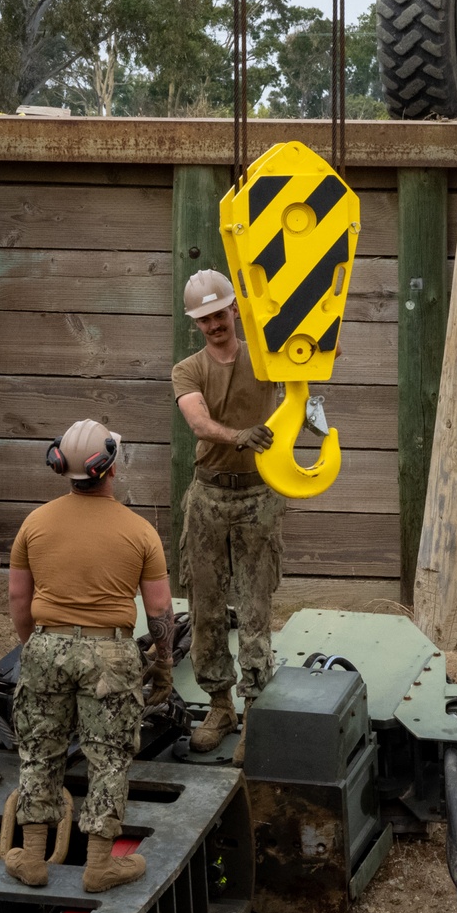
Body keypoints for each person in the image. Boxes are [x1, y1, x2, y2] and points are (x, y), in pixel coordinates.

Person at [5, 419, 174, 892]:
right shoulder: (140, 531)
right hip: (111, 653)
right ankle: (99, 865)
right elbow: (160, 609)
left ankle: (33, 857)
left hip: (46, 645)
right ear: (111, 469)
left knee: (39, 750)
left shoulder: (34, 523)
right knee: (110, 757)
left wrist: (33, 647)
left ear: (62, 465)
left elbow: (20, 600)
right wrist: (162, 664)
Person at [172, 269, 287, 766]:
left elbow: (324, 354)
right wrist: (240, 436)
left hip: (258, 497)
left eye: (220, 313)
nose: (215, 323)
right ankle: (219, 708)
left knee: (256, 607)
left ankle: (255, 710)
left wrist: (306, 323)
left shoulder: (266, 355)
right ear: (196, 322)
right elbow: (197, 420)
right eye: (205, 318)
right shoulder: (188, 369)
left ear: (234, 310)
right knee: (206, 607)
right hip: (208, 498)